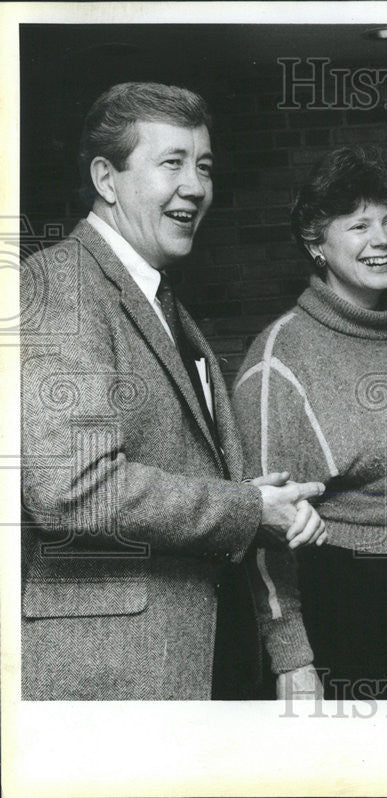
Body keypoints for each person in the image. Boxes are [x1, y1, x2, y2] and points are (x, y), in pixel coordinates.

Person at [20, 82, 327, 701]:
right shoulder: (59, 285)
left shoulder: (166, 306)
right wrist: (246, 509)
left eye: (204, 166)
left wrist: (289, 650)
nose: (195, 185)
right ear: (107, 179)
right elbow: (71, 487)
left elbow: (223, 488)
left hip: (204, 660)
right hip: (114, 677)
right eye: (173, 163)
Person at [233, 146, 387, 700]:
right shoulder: (280, 357)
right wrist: (291, 657)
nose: (382, 239)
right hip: (347, 607)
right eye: (359, 224)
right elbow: (261, 526)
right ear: (317, 243)